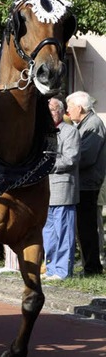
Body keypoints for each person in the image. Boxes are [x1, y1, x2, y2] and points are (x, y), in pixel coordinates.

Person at [66, 91, 106, 275]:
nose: (67, 111)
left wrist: (67, 160)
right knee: (83, 226)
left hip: (88, 184)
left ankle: (92, 267)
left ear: (79, 108)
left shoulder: (92, 124)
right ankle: (89, 265)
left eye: (69, 107)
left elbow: (85, 157)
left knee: (87, 226)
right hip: (83, 182)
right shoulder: (85, 123)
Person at [42, 98, 81, 280]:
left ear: (61, 111)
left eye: (53, 110)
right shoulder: (44, 132)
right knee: (48, 233)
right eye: (47, 110)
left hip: (63, 190)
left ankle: (63, 271)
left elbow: (70, 159)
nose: (50, 114)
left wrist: (46, 165)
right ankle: (51, 269)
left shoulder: (70, 132)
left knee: (64, 232)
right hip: (45, 191)